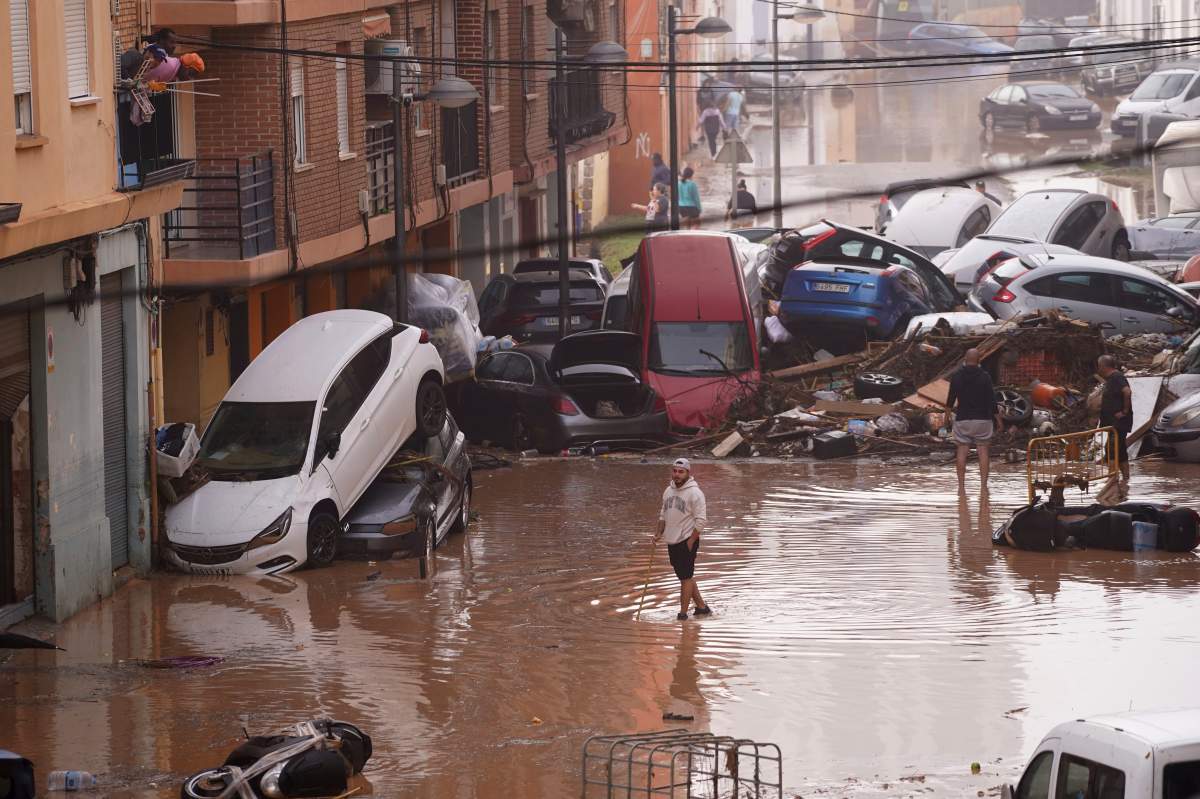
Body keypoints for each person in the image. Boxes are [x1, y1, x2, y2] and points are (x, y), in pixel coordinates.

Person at [654, 458, 711, 620]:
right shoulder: (668, 491)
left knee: (685, 578)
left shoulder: (695, 493)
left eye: (681, 472)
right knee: (685, 576)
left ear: (688, 473)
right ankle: (701, 607)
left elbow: (701, 520)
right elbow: (662, 515)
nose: (677, 475)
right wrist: (658, 533)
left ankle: (683, 614)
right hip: (671, 540)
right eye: (675, 471)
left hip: (687, 540)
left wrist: (691, 541)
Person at [946, 348, 1004, 493]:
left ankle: (961, 486)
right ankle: (983, 486)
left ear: (965, 359)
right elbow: (992, 400)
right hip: (983, 420)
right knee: (983, 451)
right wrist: (999, 420)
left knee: (961, 451)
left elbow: (951, 397)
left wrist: (946, 415)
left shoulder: (957, 376)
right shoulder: (985, 376)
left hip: (963, 419)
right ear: (979, 360)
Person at [1098, 354, 1133, 482]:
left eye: (1099, 366)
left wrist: (1124, 411)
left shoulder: (1117, 377)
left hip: (1119, 423)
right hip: (1114, 424)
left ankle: (1112, 479)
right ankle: (1126, 479)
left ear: (1103, 366)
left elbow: (1127, 392)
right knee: (1121, 451)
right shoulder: (1112, 379)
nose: (1098, 369)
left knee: (1111, 449)